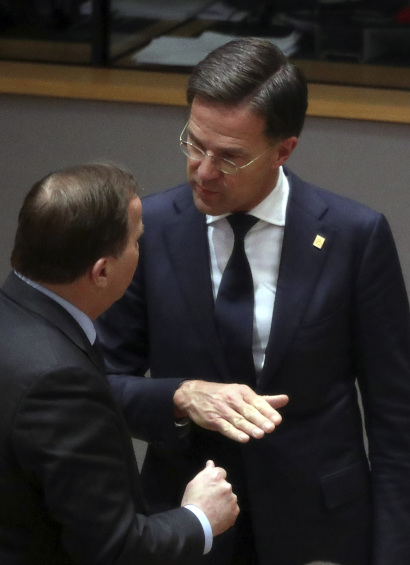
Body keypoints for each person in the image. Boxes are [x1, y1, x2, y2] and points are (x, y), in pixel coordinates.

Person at [96, 37, 410, 565]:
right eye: (194, 144)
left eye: (229, 157)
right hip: (187, 524)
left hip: (318, 533)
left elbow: (396, 422)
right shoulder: (149, 230)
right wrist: (180, 396)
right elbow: (100, 386)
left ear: (283, 150)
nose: (204, 170)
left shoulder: (353, 237)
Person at [0, 163, 240, 564]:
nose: (141, 251)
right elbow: (114, 550)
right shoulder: (61, 381)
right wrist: (199, 517)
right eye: (136, 242)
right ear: (102, 271)